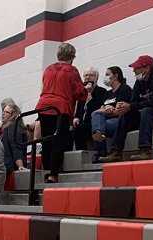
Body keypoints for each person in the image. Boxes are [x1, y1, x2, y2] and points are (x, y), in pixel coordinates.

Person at [102, 56, 153, 162]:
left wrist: (130, 106)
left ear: (147, 68)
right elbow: (133, 101)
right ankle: (116, 151)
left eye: (137, 68)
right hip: (151, 114)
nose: (134, 70)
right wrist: (124, 106)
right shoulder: (140, 81)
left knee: (146, 111)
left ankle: (145, 150)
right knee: (125, 114)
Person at [35, 42, 88, 183]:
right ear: (72, 57)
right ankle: (53, 174)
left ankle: (46, 171)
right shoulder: (71, 70)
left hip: (43, 105)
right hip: (60, 107)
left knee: (46, 140)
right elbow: (79, 92)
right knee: (59, 140)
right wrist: (86, 90)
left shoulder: (48, 69)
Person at [90, 66, 132, 162]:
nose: (105, 77)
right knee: (97, 118)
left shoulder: (124, 89)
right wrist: (106, 109)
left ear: (115, 76)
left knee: (97, 125)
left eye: (107, 74)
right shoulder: (107, 93)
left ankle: (101, 153)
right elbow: (101, 109)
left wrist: (107, 110)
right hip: (106, 121)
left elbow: (119, 111)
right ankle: (99, 134)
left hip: (121, 121)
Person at [72, 67, 107, 152]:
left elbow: (97, 110)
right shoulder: (82, 93)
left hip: (93, 123)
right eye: (86, 75)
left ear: (96, 78)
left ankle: (83, 153)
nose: (87, 77)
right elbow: (79, 110)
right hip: (81, 122)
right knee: (71, 128)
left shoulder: (102, 92)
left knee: (81, 129)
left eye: (91, 75)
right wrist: (76, 117)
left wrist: (89, 101)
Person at [0, 104, 29, 173]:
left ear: (13, 116)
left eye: (7, 112)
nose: (3, 114)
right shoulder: (11, 127)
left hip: (11, 167)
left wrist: (20, 166)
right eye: (3, 112)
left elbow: (15, 147)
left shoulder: (13, 128)